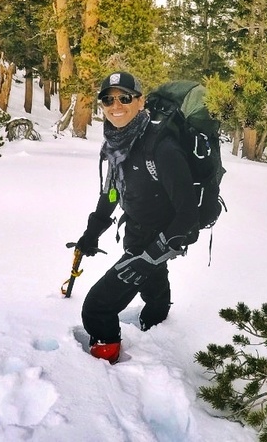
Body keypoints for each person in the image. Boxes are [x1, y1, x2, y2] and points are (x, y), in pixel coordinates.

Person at [74, 71, 200, 364]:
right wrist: (92, 233)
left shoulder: (162, 148)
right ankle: (157, 319)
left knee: (97, 307)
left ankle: (103, 365)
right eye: (108, 99)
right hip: (135, 232)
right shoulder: (116, 146)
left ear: (140, 101)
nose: (115, 105)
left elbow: (188, 214)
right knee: (152, 284)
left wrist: (150, 256)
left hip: (157, 240)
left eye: (124, 97)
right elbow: (111, 194)